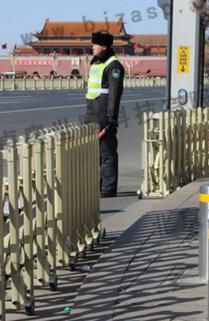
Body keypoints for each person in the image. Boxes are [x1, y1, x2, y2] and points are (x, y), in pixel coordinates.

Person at [85, 30, 125, 198]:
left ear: (104, 46)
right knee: (94, 153)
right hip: (92, 113)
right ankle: (98, 184)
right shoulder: (96, 62)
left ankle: (108, 187)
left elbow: (114, 94)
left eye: (95, 44)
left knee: (107, 152)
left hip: (104, 115)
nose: (92, 47)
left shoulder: (113, 65)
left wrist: (111, 118)